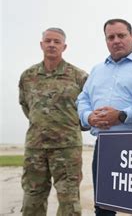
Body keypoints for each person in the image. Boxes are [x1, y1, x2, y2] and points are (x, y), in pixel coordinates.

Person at [76, 19, 132, 215]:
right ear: (106, 41)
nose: (116, 40)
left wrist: (123, 115)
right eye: (111, 37)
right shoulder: (97, 70)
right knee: (104, 205)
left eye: (121, 35)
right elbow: (83, 98)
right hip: (105, 145)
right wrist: (89, 116)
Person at [19, 28, 88, 216]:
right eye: (48, 41)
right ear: (41, 44)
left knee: (69, 201)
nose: (51, 45)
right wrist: (43, 124)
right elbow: (26, 106)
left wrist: (69, 125)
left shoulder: (79, 76)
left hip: (67, 148)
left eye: (56, 42)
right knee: (32, 198)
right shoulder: (28, 76)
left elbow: (87, 108)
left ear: (64, 47)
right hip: (35, 147)